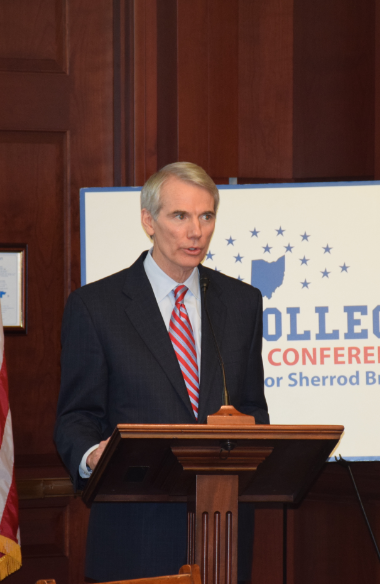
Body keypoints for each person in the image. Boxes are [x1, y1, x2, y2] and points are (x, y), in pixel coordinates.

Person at [54, 162, 269, 582]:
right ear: (148, 221)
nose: (196, 232)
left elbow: (253, 408)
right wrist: (91, 455)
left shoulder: (241, 303)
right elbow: (75, 416)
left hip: (222, 533)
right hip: (135, 532)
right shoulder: (96, 307)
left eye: (206, 216)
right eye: (180, 216)